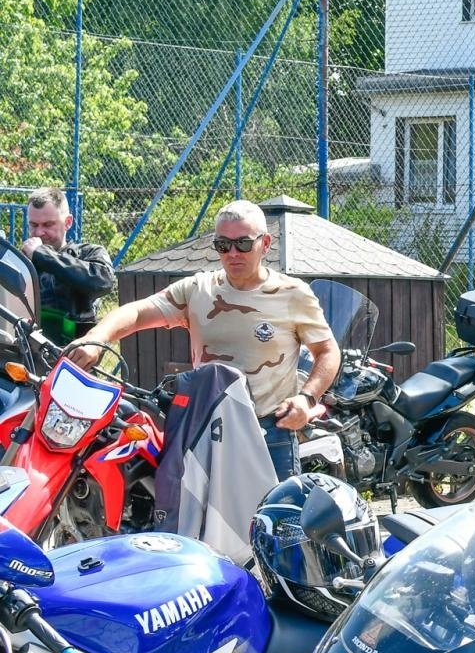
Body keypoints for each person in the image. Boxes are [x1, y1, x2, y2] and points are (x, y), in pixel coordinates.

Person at [68, 200, 337, 481]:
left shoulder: (293, 293)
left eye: (243, 244)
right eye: (223, 245)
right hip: (206, 431)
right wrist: (96, 338)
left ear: (265, 243)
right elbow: (137, 312)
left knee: (276, 522)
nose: (233, 253)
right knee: (198, 524)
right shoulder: (199, 289)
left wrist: (307, 399)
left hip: (269, 430)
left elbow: (328, 351)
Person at [20, 186, 115, 346]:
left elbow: (104, 282)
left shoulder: (88, 253)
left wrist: (42, 255)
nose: (39, 232)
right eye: (34, 225)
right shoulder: (22, 262)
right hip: (25, 357)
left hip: (74, 355)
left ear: (68, 222)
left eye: (48, 224)